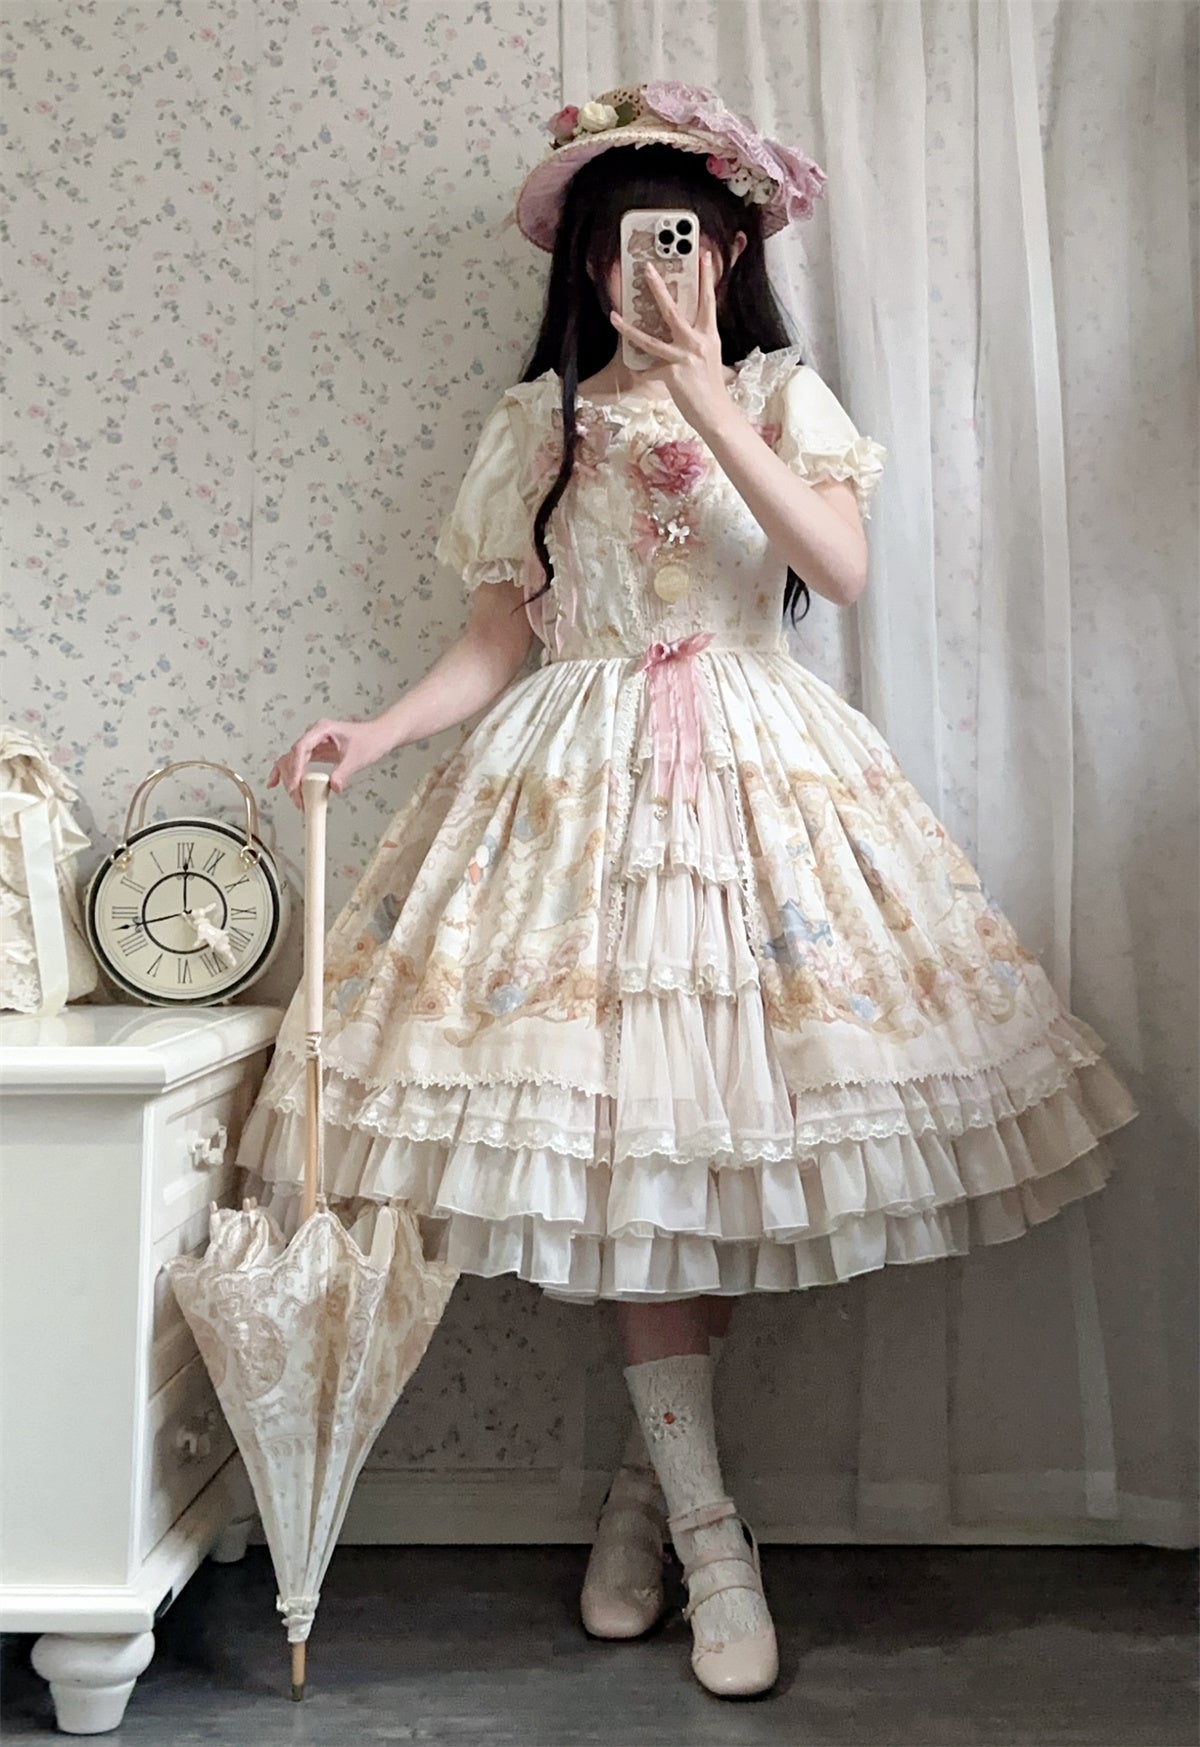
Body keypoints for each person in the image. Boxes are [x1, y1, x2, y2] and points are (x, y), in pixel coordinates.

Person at [234, 82, 1140, 1699]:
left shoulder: (784, 397)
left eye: (682, 240)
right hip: (573, 786)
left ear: (729, 254)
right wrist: (375, 733)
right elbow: (500, 635)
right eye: (619, 245)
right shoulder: (538, 422)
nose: (647, 269)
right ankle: (705, 1525)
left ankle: (655, 1499)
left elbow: (837, 573)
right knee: (639, 1154)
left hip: (755, 779)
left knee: (707, 1153)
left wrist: (711, 399)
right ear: (582, 263)